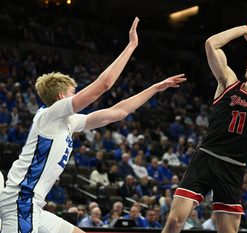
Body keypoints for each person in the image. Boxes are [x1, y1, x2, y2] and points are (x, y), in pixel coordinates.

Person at [0, 17, 186, 233]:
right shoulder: (49, 116)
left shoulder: (69, 122)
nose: (76, 96)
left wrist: (154, 88)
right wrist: (131, 46)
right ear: (62, 97)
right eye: (73, 93)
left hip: (32, 206)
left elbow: (118, 112)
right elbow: (103, 85)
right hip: (19, 204)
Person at [161, 14, 247, 233]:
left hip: (233, 168)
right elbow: (212, 44)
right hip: (205, 157)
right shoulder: (228, 82)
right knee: (173, 222)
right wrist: (244, 29)